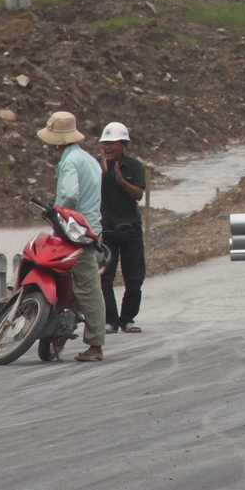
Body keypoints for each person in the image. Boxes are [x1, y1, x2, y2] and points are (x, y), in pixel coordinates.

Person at [39, 110, 107, 362]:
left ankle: (96, 345)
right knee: (87, 287)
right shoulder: (88, 159)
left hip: (75, 231)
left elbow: (69, 196)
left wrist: (56, 212)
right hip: (91, 228)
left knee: (88, 288)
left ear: (58, 139)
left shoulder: (69, 162)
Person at [96, 121, 147, 334]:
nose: (108, 147)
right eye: (105, 143)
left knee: (134, 278)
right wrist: (102, 173)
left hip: (130, 229)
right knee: (104, 277)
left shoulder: (134, 166)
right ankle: (110, 321)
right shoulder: (96, 166)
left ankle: (127, 319)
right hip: (106, 230)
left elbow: (138, 194)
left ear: (123, 145)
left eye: (112, 143)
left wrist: (121, 180)